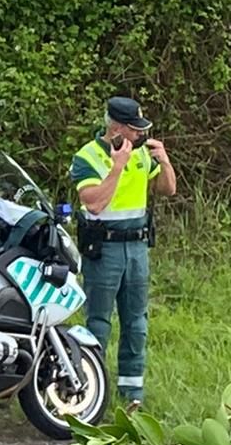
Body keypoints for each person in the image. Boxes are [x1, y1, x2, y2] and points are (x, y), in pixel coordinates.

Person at [70, 95, 177, 407]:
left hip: (137, 248)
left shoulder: (142, 153)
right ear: (116, 128)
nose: (139, 135)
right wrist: (117, 166)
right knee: (99, 322)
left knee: (136, 322)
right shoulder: (87, 158)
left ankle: (132, 393)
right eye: (133, 130)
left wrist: (164, 159)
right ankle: (93, 389)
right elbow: (94, 202)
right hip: (104, 250)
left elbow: (168, 189)